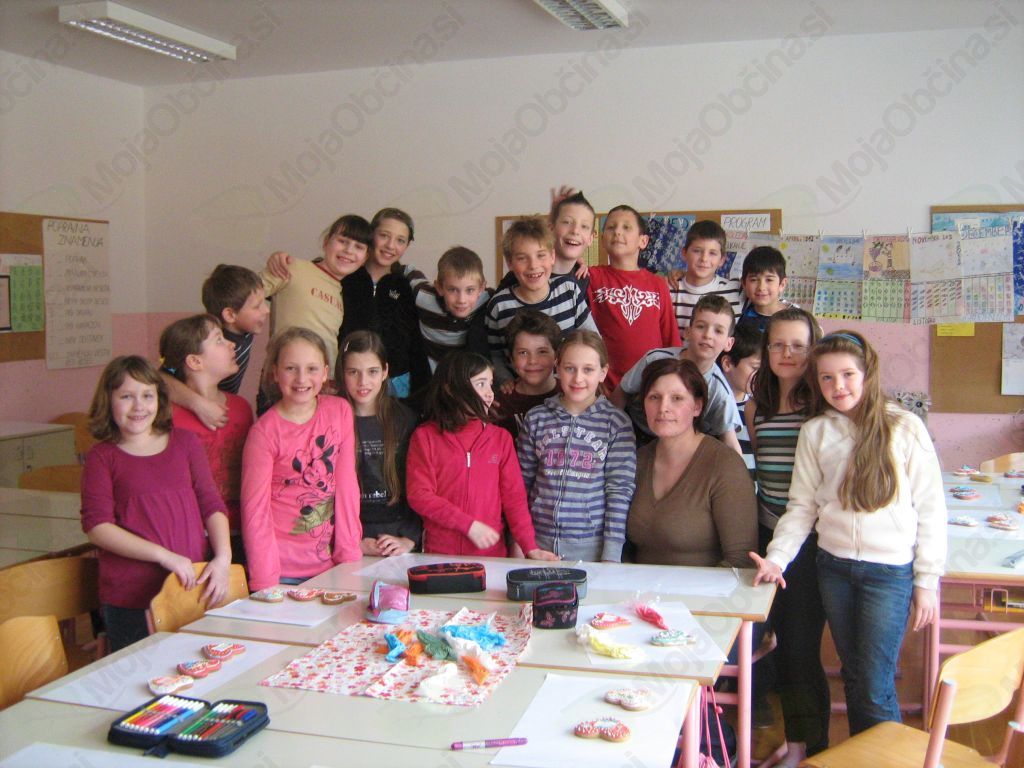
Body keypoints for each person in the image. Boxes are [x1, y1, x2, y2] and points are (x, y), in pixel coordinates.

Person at [751, 331, 946, 737]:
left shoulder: (904, 427)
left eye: (847, 375)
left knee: (873, 684)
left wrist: (927, 581)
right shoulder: (817, 431)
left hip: (888, 573)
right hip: (834, 568)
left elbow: (931, 509)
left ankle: (886, 759)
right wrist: (777, 558)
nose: (838, 386)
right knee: (855, 674)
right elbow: (802, 507)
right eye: (826, 378)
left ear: (867, 374)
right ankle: (866, 754)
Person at [626, 356, 756, 764]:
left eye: (677, 398)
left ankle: (710, 748)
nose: (663, 407)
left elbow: (740, 562)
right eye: (654, 397)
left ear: (698, 406)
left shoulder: (723, 465)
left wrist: (684, 621)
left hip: (706, 614)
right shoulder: (638, 458)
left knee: (659, 683)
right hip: (644, 610)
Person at [81, 356, 231, 652]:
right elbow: (98, 527)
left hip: (190, 588)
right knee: (140, 674)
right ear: (108, 401)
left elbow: (211, 504)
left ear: (160, 399)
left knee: (196, 667)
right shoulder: (101, 457)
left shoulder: (185, 443)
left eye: (147, 395)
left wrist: (223, 558)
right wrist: (163, 556)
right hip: (131, 599)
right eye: (126, 396)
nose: (139, 406)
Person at [745, 307, 827, 765]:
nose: (787, 353)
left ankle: (810, 749)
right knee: (769, 641)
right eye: (777, 344)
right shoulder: (756, 406)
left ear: (813, 350)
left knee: (800, 649)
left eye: (798, 345)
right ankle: (793, 742)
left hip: (809, 544)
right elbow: (763, 470)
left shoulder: (823, 405)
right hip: (767, 534)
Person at [406, 350, 557, 560]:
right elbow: (420, 495)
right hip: (439, 555)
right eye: (481, 384)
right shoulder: (425, 437)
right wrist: (468, 525)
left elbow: (514, 499)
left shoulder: (500, 439)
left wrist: (530, 547)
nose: (489, 393)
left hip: (491, 557)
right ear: (451, 389)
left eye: (490, 384)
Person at [241, 327, 361, 591]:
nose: (302, 378)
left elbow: (347, 486)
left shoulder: (339, 411)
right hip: (281, 572)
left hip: (330, 567)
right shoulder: (264, 433)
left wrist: (349, 554)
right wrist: (265, 581)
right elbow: (255, 512)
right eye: (291, 368)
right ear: (275, 372)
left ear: (325, 372)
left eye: (312, 369)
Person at [518, 331, 636, 562]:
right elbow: (521, 484)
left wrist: (611, 555)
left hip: (591, 550)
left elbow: (619, 491)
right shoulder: (536, 418)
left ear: (603, 372)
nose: (578, 378)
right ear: (557, 368)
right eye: (570, 368)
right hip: (537, 545)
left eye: (588, 370)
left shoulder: (616, 423)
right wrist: (520, 541)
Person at [159, 314, 254, 562]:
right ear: (194, 361)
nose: (232, 344)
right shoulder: (166, 414)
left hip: (238, 531)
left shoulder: (241, 408)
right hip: (188, 534)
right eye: (219, 340)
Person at [258, 213, 373, 411]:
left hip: (324, 387)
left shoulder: (342, 293)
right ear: (326, 242)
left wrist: (331, 381)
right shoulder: (292, 267)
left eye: (358, 247)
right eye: (342, 241)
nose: (349, 251)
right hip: (283, 382)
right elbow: (244, 293)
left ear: (365, 258)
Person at [612, 294, 742, 453]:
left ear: (729, 343)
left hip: (679, 447)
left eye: (718, 331)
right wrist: (609, 432)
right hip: (634, 433)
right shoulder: (655, 359)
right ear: (687, 332)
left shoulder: (719, 391)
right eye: (701, 326)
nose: (708, 335)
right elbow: (622, 392)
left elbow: (730, 443)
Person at [337, 330, 421, 557]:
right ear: (342, 373)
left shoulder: (406, 419)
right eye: (353, 372)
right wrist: (352, 541)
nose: (363, 382)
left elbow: (420, 484)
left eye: (372, 371)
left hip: (399, 536)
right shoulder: (332, 420)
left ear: (385, 371)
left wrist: (409, 539)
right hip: (349, 535)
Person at [485, 217, 597, 384]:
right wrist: (505, 380)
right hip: (520, 392)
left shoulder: (569, 290)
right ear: (510, 263)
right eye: (522, 258)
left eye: (541, 255)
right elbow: (496, 356)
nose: (533, 265)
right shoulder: (499, 306)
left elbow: (593, 340)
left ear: (552, 256)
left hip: (568, 389)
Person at [334, 208, 429, 401]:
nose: (390, 246)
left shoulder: (405, 286)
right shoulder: (344, 278)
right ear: (371, 235)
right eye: (384, 236)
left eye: (400, 240)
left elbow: (414, 341)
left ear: (407, 245)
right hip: (351, 378)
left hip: (396, 384)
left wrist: (422, 392)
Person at [162, 264, 268, 430]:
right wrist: (198, 404)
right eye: (257, 306)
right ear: (230, 315)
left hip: (225, 407)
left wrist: (278, 258)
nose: (266, 310)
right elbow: (161, 376)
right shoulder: (208, 341)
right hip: (201, 411)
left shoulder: (246, 328)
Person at [586, 205, 680, 389]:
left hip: (650, 384)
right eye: (611, 227)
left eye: (626, 227)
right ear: (602, 239)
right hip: (605, 385)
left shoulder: (658, 284)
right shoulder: (592, 276)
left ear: (643, 241)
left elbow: (670, 338)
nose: (617, 232)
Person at [406, 246, 491, 371]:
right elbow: (410, 273)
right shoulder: (423, 297)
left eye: (470, 290)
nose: (461, 300)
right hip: (427, 370)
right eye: (453, 290)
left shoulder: (487, 299)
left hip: (462, 371)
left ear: (481, 288)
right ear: (439, 288)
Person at [492, 310, 561, 439]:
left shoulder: (571, 394)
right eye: (523, 353)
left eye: (542, 351)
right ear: (511, 358)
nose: (533, 361)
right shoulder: (499, 405)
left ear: (556, 356)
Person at [669, 220, 743, 335]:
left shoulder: (736, 290)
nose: (704, 259)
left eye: (712, 253)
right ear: (684, 253)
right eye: (697, 251)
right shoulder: (668, 289)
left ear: (722, 259)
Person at [718, 322, 761, 476]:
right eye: (755, 368)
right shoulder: (712, 408)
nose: (760, 375)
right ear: (727, 363)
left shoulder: (758, 409)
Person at [737, 246, 798, 334]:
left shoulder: (796, 318)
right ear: (744, 284)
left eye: (769, 280)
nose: (761, 287)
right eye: (754, 280)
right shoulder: (741, 316)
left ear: (782, 284)